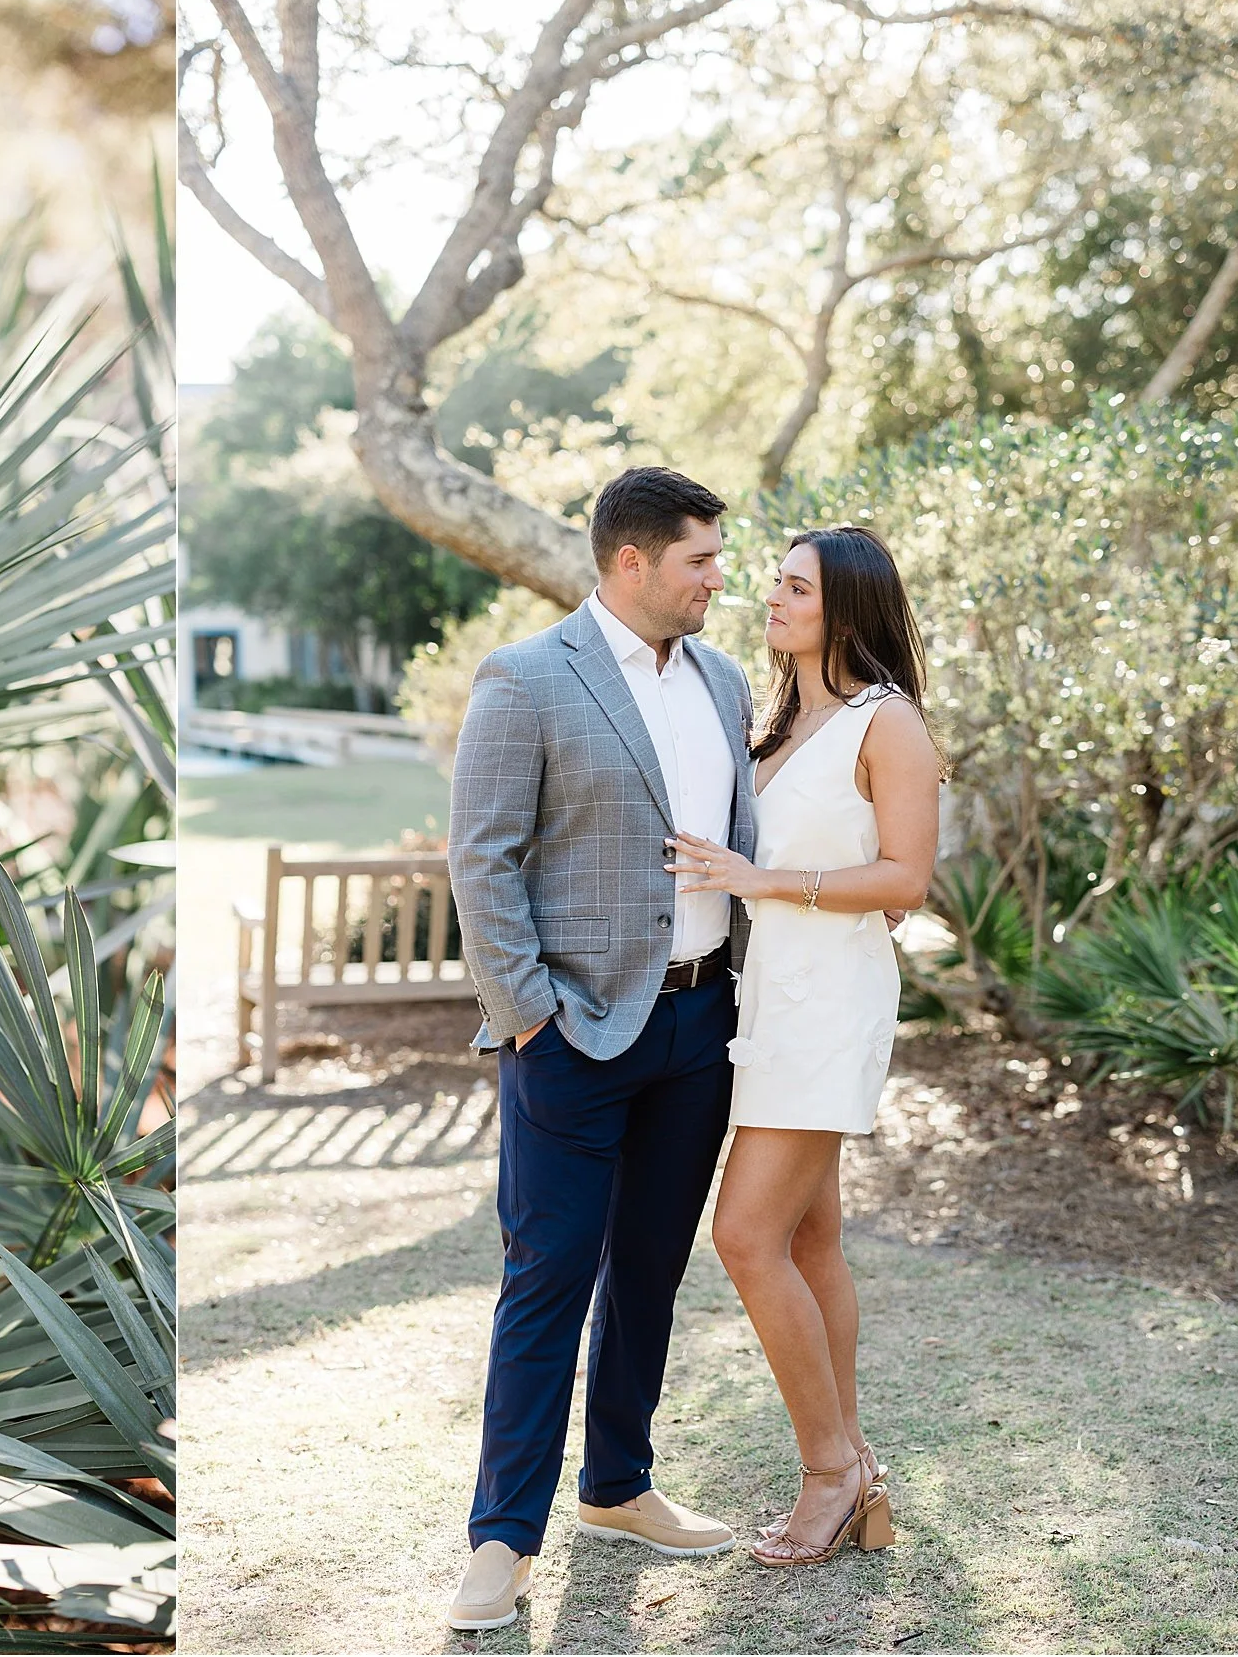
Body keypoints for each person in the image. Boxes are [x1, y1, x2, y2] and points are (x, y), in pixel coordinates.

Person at [443, 467, 753, 1632]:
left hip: (697, 1026)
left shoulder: (722, 680)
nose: (719, 579)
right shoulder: (527, 677)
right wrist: (529, 1011)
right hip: (571, 1033)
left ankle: (618, 1485)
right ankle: (499, 1537)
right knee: (545, 1281)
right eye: (700, 560)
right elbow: (483, 859)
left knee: (649, 1273)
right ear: (632, 561)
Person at [668, 524, 941, 1567]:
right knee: (809, 1241)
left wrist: (760, 879)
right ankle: (855, 1462)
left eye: (793, 587)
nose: (767, 598)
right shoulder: (779, 718)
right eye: (774, 582)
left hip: (828, 1004)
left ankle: (828, 1472)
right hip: (763, 1000)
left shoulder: (886, 724)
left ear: (847, 609)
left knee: (743, 1236)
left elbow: (906, 879)